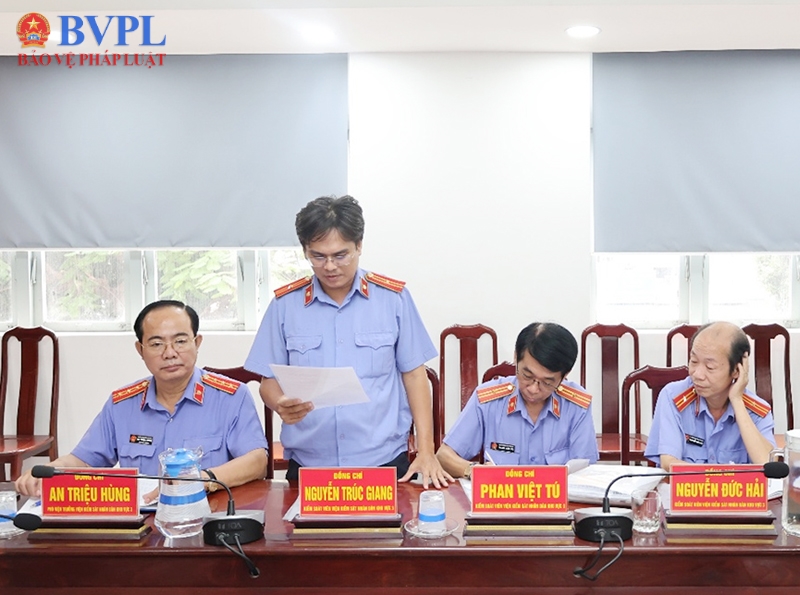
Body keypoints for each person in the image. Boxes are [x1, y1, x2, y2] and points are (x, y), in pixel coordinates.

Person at [245, 195, 450, 487]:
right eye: (318, 256)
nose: (329, 266)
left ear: (359, 245)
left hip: (383, 462)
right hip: (310, 465)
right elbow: (268, 381)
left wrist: (427, 450)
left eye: (341, 255)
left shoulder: (393, 300)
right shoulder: (284, 306)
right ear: (305, 251)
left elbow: (415, 376)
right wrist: (280, 403)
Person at [15, 300, 269, 497]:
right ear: (141, 350)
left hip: (209, 514)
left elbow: (257, 461)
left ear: (197, 342)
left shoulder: (231, 396)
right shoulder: (122, 404)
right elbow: (83, 460)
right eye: (157, 344)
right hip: (141, 524)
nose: (170, 353)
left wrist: (202, 479)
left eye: (180, 341)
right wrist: (49, 472)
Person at [436, 322, 598, 479]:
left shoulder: (577, 406)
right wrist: (473, 471)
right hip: (502, 496)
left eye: (547, 382)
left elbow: (586, 471)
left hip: (557, 497)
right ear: (516, 357)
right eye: (527, 375)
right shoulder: (488, 400)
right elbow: (444, 456)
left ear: (565, 375)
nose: (533, 389)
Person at [644, 321, 776, 471]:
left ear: (737, 370)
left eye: (710, 367)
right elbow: (669, 463)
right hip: (688, 487)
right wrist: (719, 478)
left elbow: (768, 465)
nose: (697, 374)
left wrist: (737, 400)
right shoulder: (673, 397)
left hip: (734, 489)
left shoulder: (757, 411)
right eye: (694, 361)